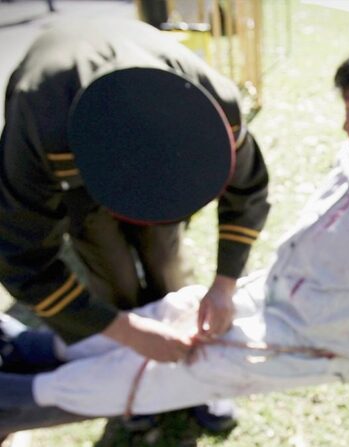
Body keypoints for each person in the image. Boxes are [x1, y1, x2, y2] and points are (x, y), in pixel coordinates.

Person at [0, 36, 349, 433]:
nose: (347, 127)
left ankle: (16, 397)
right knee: (171, 312)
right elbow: (21, 254)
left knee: (174, 366)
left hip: (325, 337)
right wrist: (223, 290)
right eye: (347, 111)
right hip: (284, 299)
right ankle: (26, 349)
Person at [0, 19, 270, 429]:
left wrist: (224, 284)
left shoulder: (216, 109)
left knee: (165, 259)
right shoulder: (40, 124)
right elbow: (20, 257)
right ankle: (133, 373)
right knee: (111, 271)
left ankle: (189, 374)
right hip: (78, 179)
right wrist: (128, 332)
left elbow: (248, 189)